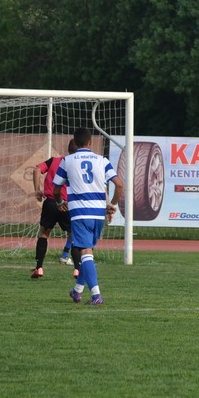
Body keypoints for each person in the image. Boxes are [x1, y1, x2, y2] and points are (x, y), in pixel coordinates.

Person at [52, 128, 124, 305]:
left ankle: (96, 295)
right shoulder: (102, 160)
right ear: (90, 142)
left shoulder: (67, 161)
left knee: (85, 252)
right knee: (88, 252)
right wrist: (113, 205)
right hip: (98, 213)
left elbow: (56, 188)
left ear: (74, 142)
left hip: (80, 212)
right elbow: (119, 185)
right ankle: (77, 291)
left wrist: (59, 202)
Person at [30, 139, 76, 279]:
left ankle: (39, 267)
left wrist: (37, 190)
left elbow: (37, 169)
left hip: (51, 202)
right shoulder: (78, 165)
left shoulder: (55, 161)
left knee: (44, 233)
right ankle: (77, 269)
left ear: (68, 149)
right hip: (68, 204)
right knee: (74, 236)